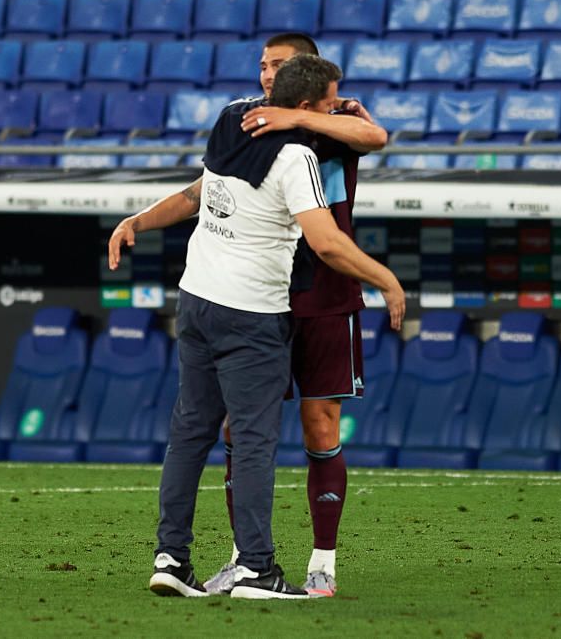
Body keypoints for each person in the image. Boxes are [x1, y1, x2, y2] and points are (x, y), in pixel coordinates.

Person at [109, 55, 405, 600]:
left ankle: (171, 558)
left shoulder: (229, 117)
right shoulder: (296, 157)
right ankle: (256, 569)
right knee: (251, 442)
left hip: (196, 298)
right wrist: (386, 278)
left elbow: (201, 192)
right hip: (251, 313)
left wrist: (137, 220)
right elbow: (326, 243)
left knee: (189, 434)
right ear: (311, 105)